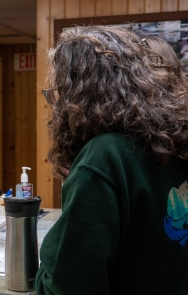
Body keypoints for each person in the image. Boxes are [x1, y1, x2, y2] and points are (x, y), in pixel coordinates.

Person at [36, 26, 188, 295]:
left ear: (77, 93)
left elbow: (68, 282)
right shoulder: (172, 139)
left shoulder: (106, 157)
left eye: (57, 91)